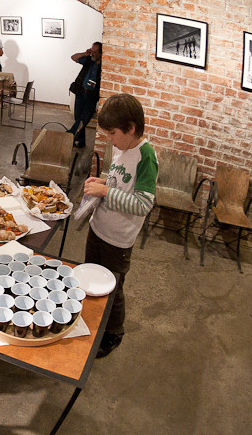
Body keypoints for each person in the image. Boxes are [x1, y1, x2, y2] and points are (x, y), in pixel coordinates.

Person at [81, 93, 158, 358]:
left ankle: (113, 333)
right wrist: (102, 182)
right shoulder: (120, 147)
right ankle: (93, 323)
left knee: (112, 289)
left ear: (131, 128)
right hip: (99, 228)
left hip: (118, 240)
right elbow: (118, 182)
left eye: (112, 133)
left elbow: (143, 204)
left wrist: (105, 192)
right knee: (91, 279)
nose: (110, 139)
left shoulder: (146, 156)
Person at [68, 42, 102, 148]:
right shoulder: (88, 60)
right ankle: (81, 141)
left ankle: (71, 134)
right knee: (78, 117)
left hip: (92, 96)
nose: (93, 54)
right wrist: (85, 53)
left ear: (101, 53)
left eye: (95, 52)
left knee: (84, 119)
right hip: (81, 92)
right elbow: (73, 57)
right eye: (92, 51)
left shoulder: (102, 66)